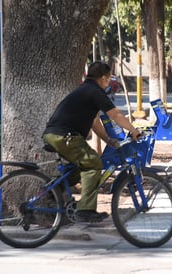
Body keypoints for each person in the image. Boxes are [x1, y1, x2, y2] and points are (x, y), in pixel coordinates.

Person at [42, 61, 142, 223]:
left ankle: (54, 188)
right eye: (108, 79)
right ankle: (85, 210)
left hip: (55, 134)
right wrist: (134, 130)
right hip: (65, 136)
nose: (108, 82)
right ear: (102, 78)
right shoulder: (95, 92)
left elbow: (94, 121)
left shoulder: (85, 90)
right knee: (94, 163)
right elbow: (115, 114)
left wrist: (108, 140)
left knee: (83, 164)